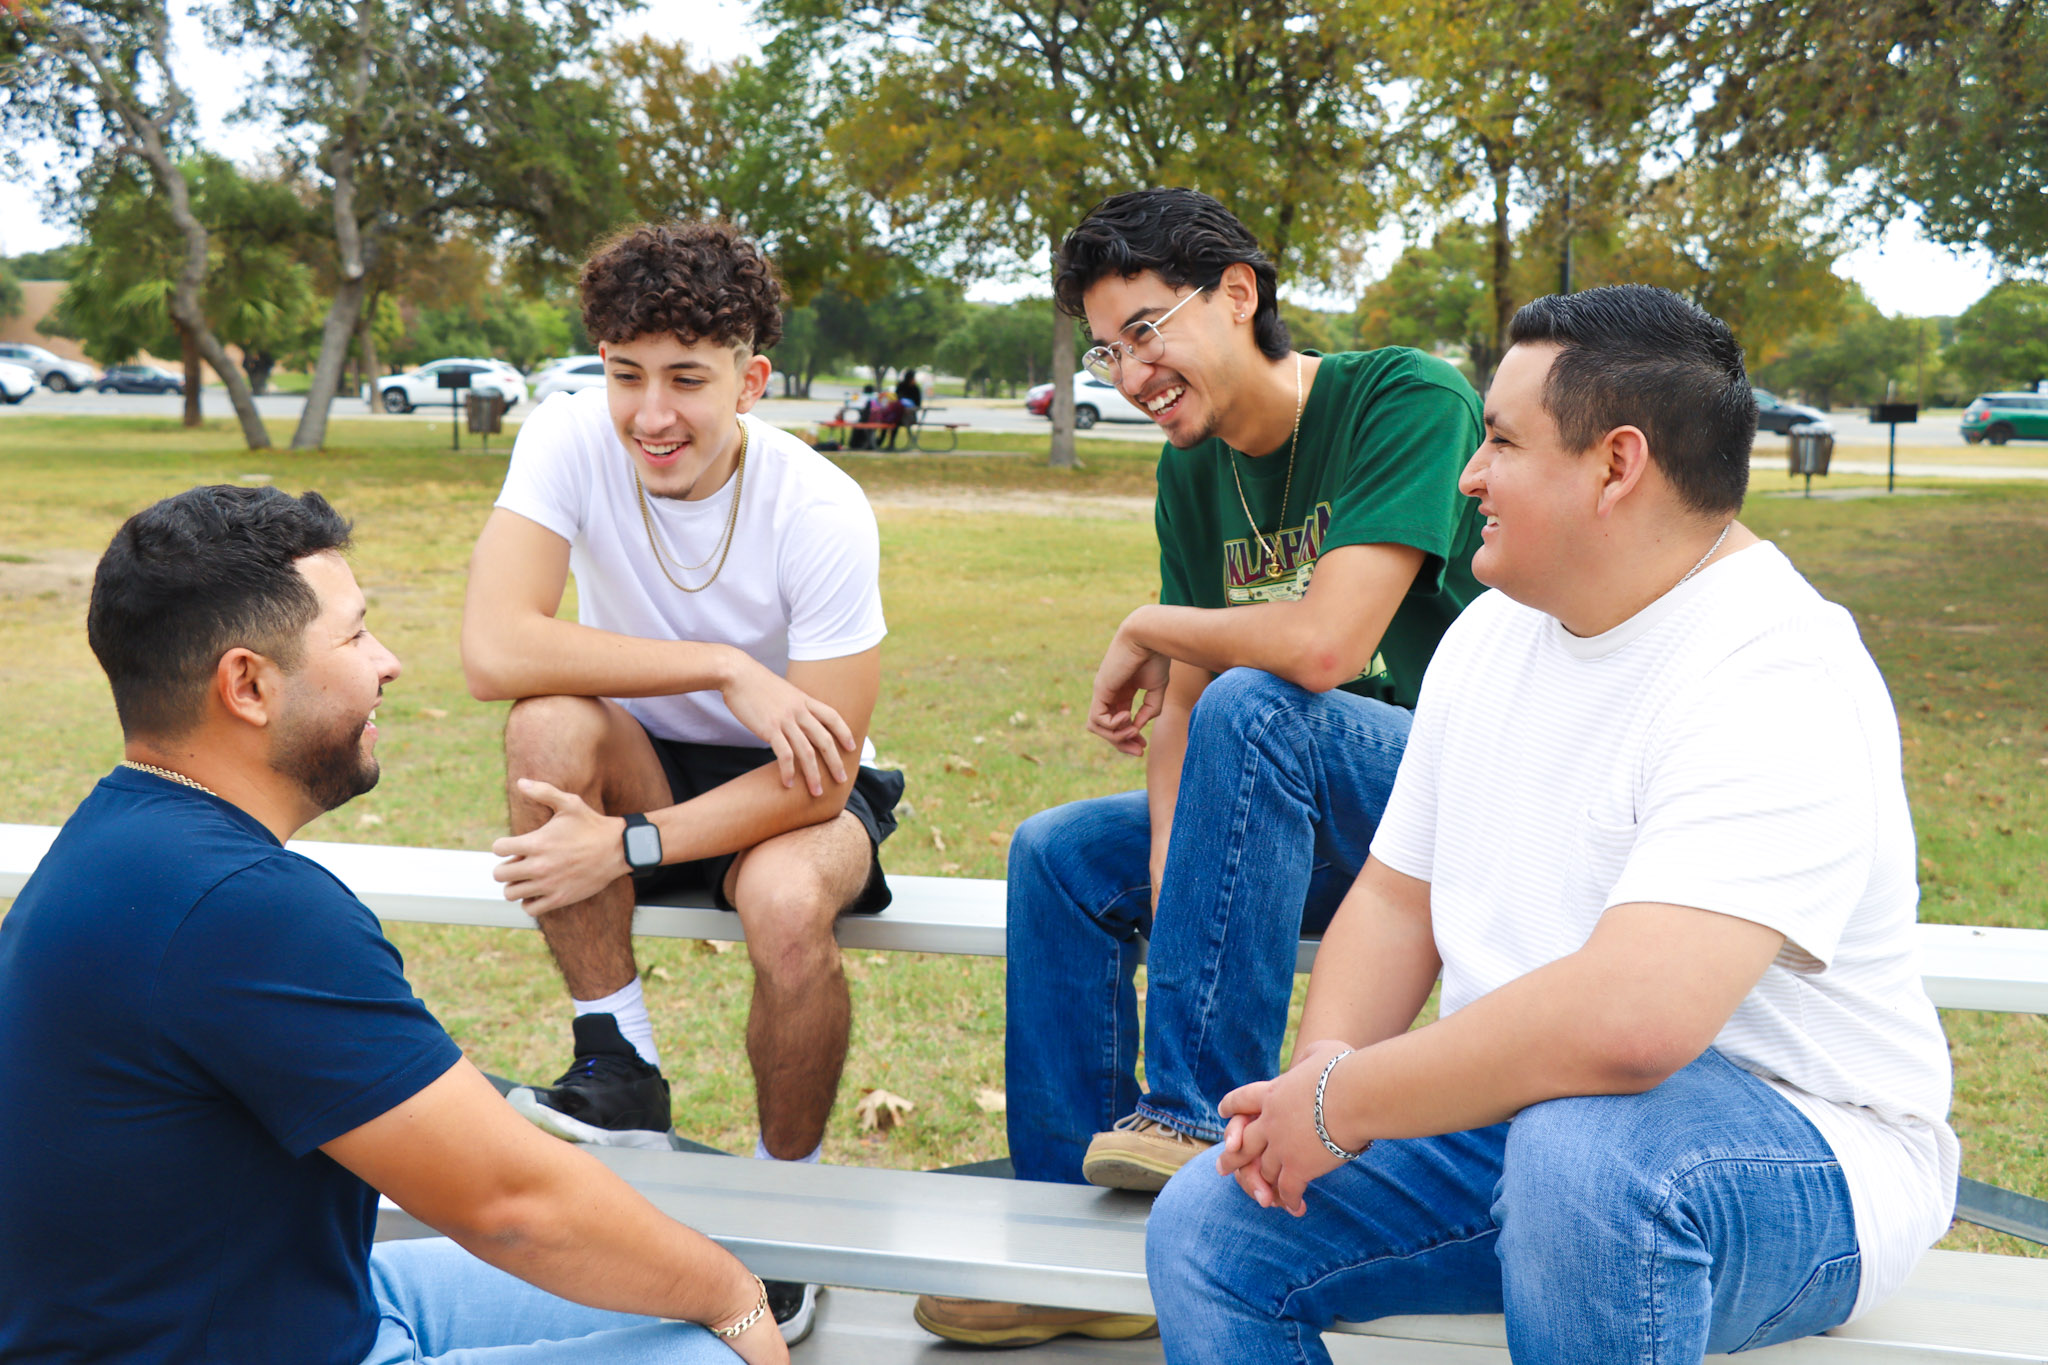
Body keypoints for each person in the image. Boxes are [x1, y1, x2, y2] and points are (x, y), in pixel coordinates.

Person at [1146, 286, 1958, 1363]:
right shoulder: (1491, 637)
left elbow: (1632, 1022)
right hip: (1527, 1127)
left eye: (1498, 441)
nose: (1466, 475)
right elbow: (1395, 897)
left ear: (1613, 466)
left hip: (1795, 1153)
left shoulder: (1774, 666)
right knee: (1210, 1226)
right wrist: (1320, 1079)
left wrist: (1350, 1099)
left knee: (1585, 1160)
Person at [0, 485, 787, 1365]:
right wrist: (740, 1302)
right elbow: (513, 1204)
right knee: (716, 1345)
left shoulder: (117, 835)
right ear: (247, 684)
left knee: (672, 1283)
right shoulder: (245, 904)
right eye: (355, 633)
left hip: (283, 1299)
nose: (389, 661)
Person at [914, 187, 1486, 1348]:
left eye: (1145, 330)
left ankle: (1190, 1132)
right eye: (1107, 350)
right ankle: (1065, 1247)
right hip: (1288, 801)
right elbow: (1177, 713)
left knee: (1262, 694)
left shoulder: (1402, 398)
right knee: (1063, 854)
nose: (1130, 374)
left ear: (1237, 295)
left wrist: (1151, 622)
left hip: (1452, 796)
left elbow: (1323, 647)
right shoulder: (1193, 471)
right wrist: (1184, 879)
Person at [461, 220, 900, 1343]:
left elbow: (823, 770)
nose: (651, 415)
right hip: (646, 750)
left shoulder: (819, 507)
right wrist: (721, 666)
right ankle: (619, 1069)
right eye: (624, 374)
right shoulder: (565, 440)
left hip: (792, 780)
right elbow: (494, 649)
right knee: (550, 722)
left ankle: (780, 1205)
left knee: (786, 903)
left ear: (751, 380)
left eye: (687, 380)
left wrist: (630, 844)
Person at [885, 369, 923, 451]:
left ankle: (910, 444)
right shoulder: (901, 386)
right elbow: (895, 399)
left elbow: (918, 405)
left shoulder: (915, 389)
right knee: (895, 422)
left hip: (909, 415)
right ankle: (892, 444)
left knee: (898, 421)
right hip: (898, 415)